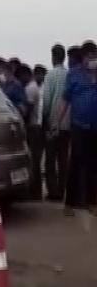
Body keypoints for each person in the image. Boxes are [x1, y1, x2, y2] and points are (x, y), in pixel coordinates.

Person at [58, 41, 97, 216]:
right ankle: (70, 203)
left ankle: (92, 202)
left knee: (94, 166)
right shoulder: (74, 75)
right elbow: (65, 99)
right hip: (79, 126)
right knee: (75, 164)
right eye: (89, 57)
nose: (92, 60)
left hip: (95, 127)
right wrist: (57, 120)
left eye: (94, 56)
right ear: (83, 58)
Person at [42, 45, 69, 202]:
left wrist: (45, 120)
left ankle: (53, 192)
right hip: (67, 124)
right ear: (64, 57)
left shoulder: (50, 76)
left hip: (53, 124)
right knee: (63, 160)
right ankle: (62, 190)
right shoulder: (69, 75)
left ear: (53, 57)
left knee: (50, 160)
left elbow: (46, 101)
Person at [20, 64, 43, 199]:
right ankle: (36, 191)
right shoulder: (35, 87)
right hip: (36, 126)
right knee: (35, 160)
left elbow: (28, 109)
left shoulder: (30, 88)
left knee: (33, 161)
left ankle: (34, 192)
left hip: (32, 127)